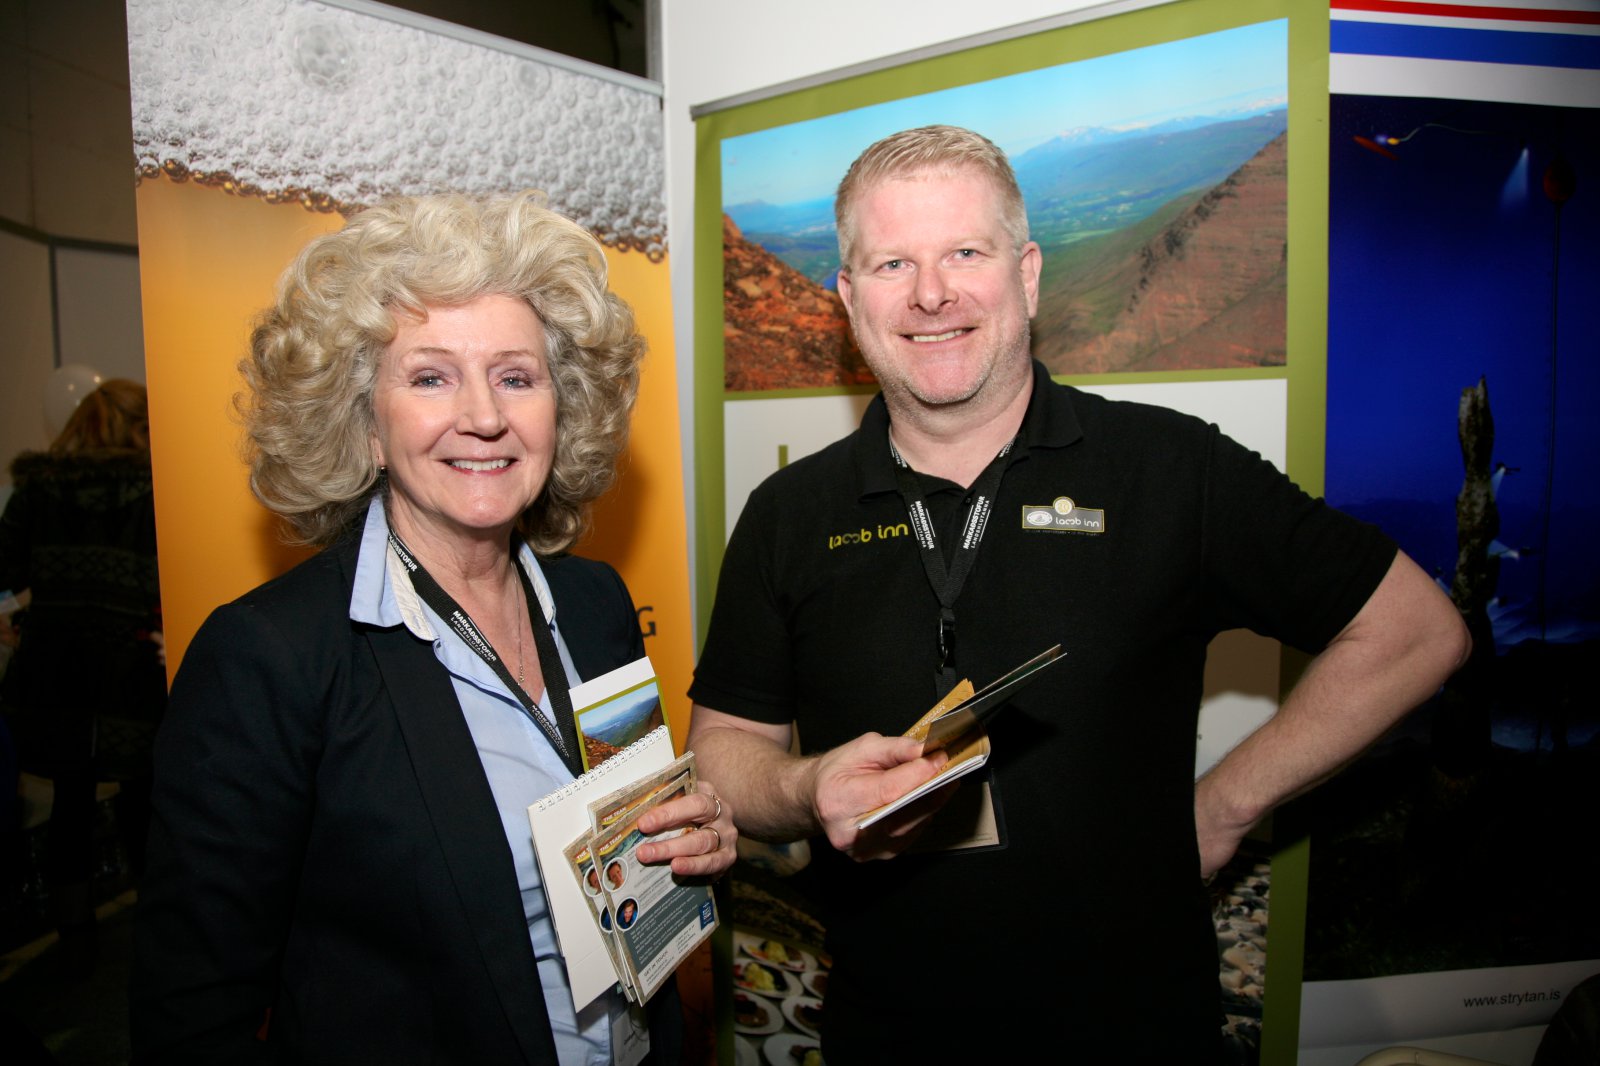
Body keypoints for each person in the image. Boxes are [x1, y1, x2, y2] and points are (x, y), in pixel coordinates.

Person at [686, 126, 1469, 1061]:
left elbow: (1416, 632)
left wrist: (1223, 807)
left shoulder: (1170, 469)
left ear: (1026, 275)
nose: (931, 293)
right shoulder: (787, 514)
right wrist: (806, 785)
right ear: (849, 299)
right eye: (893, 263)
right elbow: (723, 755)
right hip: (885, 1034)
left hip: (1136, 1034)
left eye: (965, 253)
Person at [131, 191, 738, 1064]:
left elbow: (632, 862)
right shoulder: (271, 658)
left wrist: (690, 843)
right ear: (365, 423)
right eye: (430, 377)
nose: (484, 416)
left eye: (515, 377)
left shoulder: (595, 604)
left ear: (561, 408)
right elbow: (191, 1016)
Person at [0, 378, 165, 973]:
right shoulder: (153, 490)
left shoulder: (37, 490)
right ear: (138, 427)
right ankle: (157, 935)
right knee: (144, 797)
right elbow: (164, 575)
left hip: (55, 669)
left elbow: (5, 570)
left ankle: (74, 942)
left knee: (70, 801)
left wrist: (22, 616)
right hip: (130, 666)